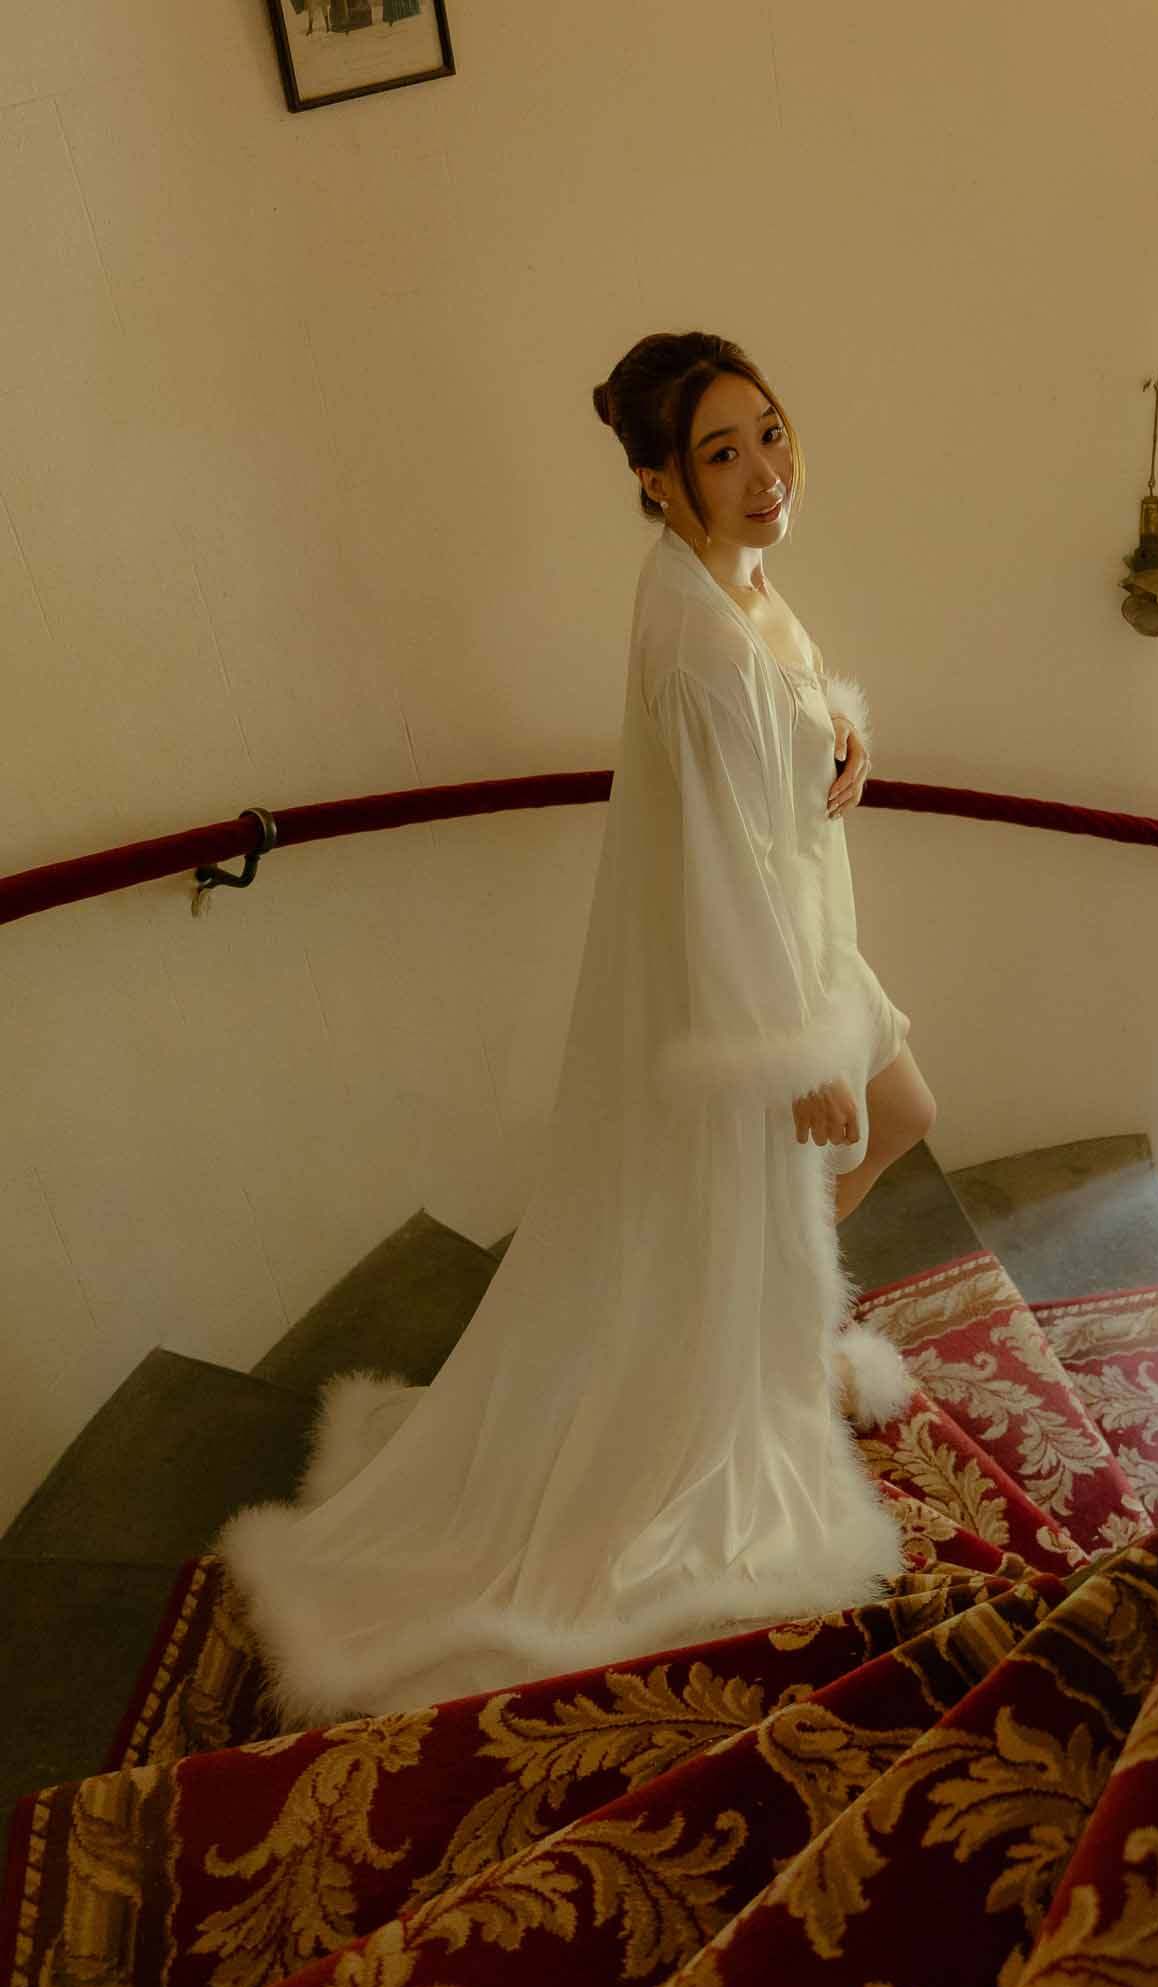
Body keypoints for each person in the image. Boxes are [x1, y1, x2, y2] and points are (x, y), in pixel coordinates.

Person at [218, 331, 937, 1726]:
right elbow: (718, 859)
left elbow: (782, 708)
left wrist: (841, 736)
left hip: (801, 934)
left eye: (769, 431)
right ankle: (726, 1374)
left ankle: (753, 1341)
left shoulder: (728, 581)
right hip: (762, 970)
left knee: (894, 1121)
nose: (764, 471)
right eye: (721, 453)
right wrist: (790, 1054)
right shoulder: (696, 640)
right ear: (660, 481)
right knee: (833, 1146)